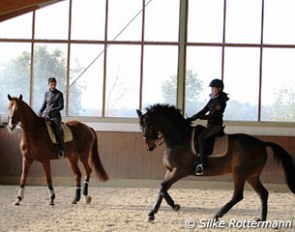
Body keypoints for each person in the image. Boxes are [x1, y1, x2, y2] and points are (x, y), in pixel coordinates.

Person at [190, 79, 229, 175]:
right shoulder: (212, 100)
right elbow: (204, 110)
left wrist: (200, 117)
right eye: (211, 88)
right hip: (210, 124)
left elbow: (213, 115)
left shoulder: (220, 102)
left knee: (201, 138)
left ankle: (203, 164)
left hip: (216, 125)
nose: (211, 89)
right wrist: (193, 117)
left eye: (213, 88)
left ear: (219, 89)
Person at [39, 77, 65, 159]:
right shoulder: (46, 93)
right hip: (47, 116)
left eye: (54, 84)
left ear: (56, 84)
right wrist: (40, 111)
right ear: (48, 85)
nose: (53, 86)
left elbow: (61, 106)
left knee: (57, 131)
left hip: (55, 117)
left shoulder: (59, 94)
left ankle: (61, 149)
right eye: (51, 84)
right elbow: (44, 104)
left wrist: (53, 110)